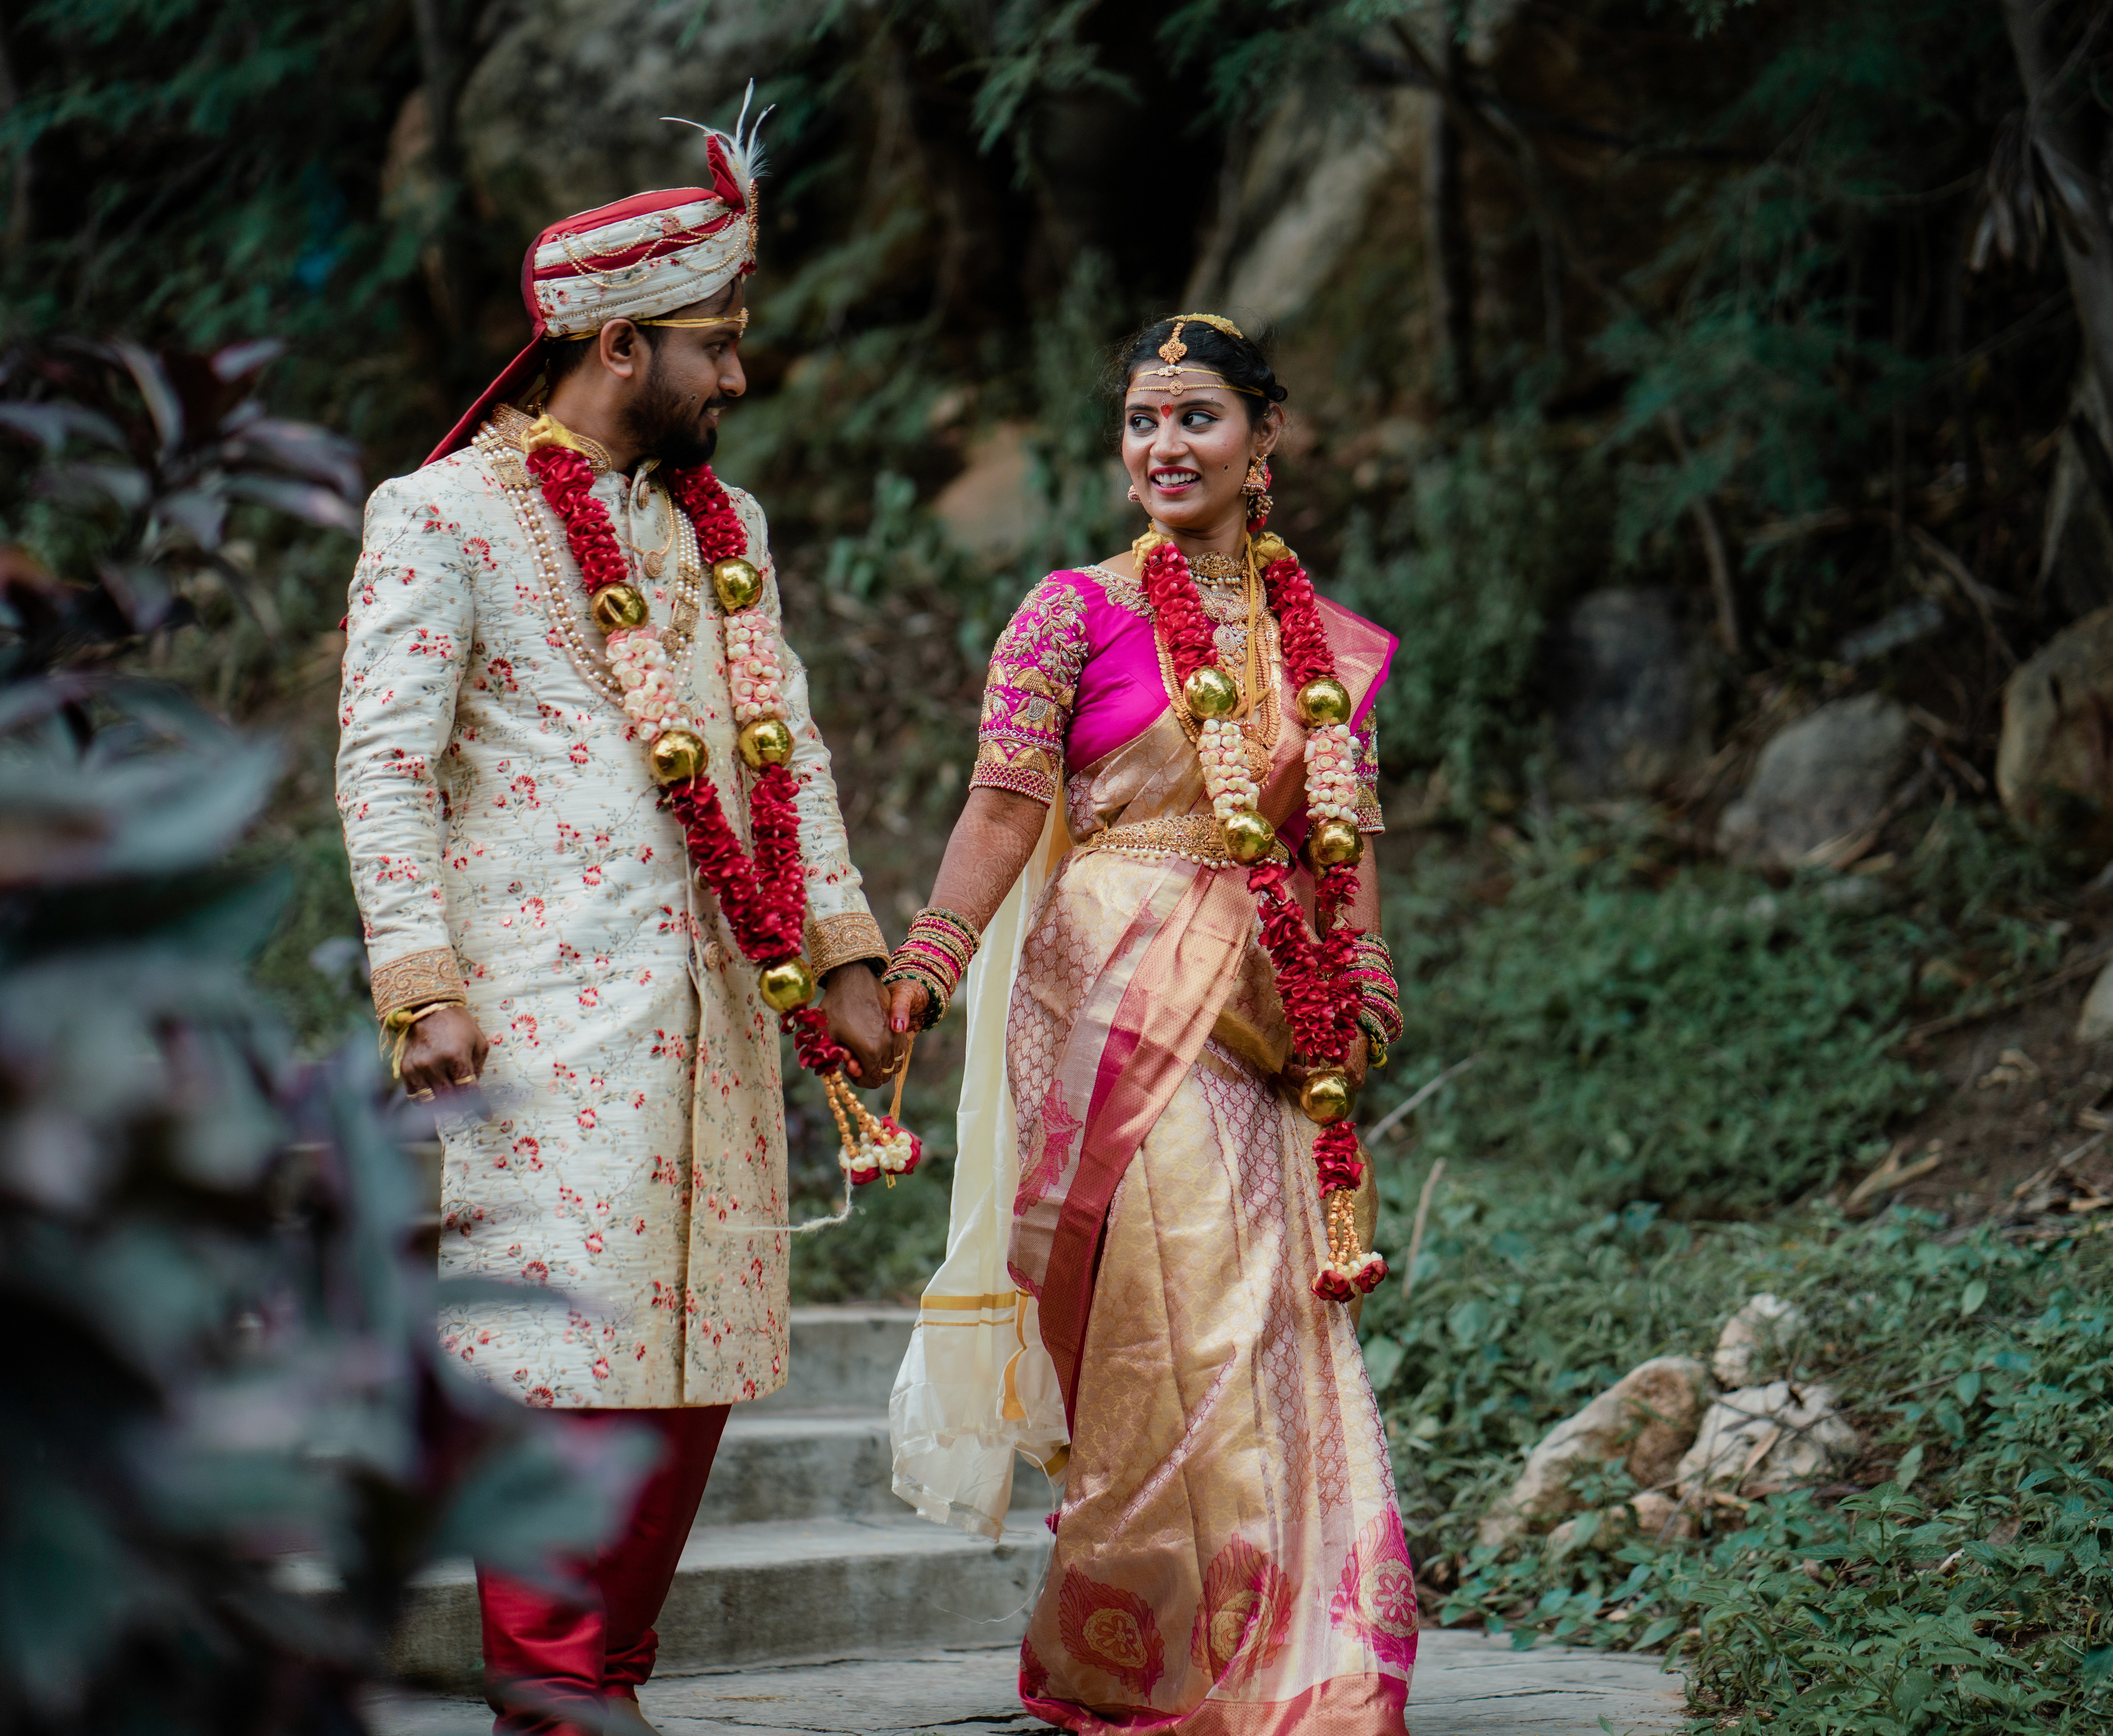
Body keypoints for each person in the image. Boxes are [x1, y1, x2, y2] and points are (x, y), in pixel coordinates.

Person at [333, 101, 901, 1736]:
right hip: (543, 1019)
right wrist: (417, 979)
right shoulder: (438, 516)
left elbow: (788, 749)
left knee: (702, 1352)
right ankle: (554, 1691)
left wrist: (848, 956)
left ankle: (607, 1685)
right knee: (560, 1361)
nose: (735, 378)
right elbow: (385, 765)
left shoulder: (728, 532)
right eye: (714, 348)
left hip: (719, 1011)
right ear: (619, 341)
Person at [882, 314, 1415, 1732]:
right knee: (1161, 1308)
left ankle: (1296, 1655)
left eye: (1196, 420)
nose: (1164, 448)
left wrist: (1361, 972)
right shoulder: (1071, 610)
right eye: (1141, 422)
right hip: (1112, 981)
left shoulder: (1322, 648)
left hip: (1267, 1001)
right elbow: (1001, 805)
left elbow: (1342, 842)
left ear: (1265, 438)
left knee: (1274, 1307)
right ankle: (1157, 1647)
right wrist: (924, 966)